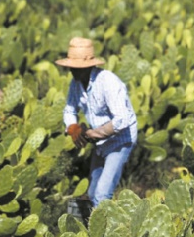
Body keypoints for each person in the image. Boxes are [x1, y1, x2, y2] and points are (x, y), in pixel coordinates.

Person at [55, 37, 138, 208]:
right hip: (100, 143)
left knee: (102, 194)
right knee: (92, 193)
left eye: (77, 68)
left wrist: (93, 134)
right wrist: (73, 127)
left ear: (90, 66)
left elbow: (122, 119)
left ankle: (106, 234)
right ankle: (92, 228)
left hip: (121, 141)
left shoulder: (108, 81)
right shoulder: (76, 83)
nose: (73, 71)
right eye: (71, 67)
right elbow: (69, 109)